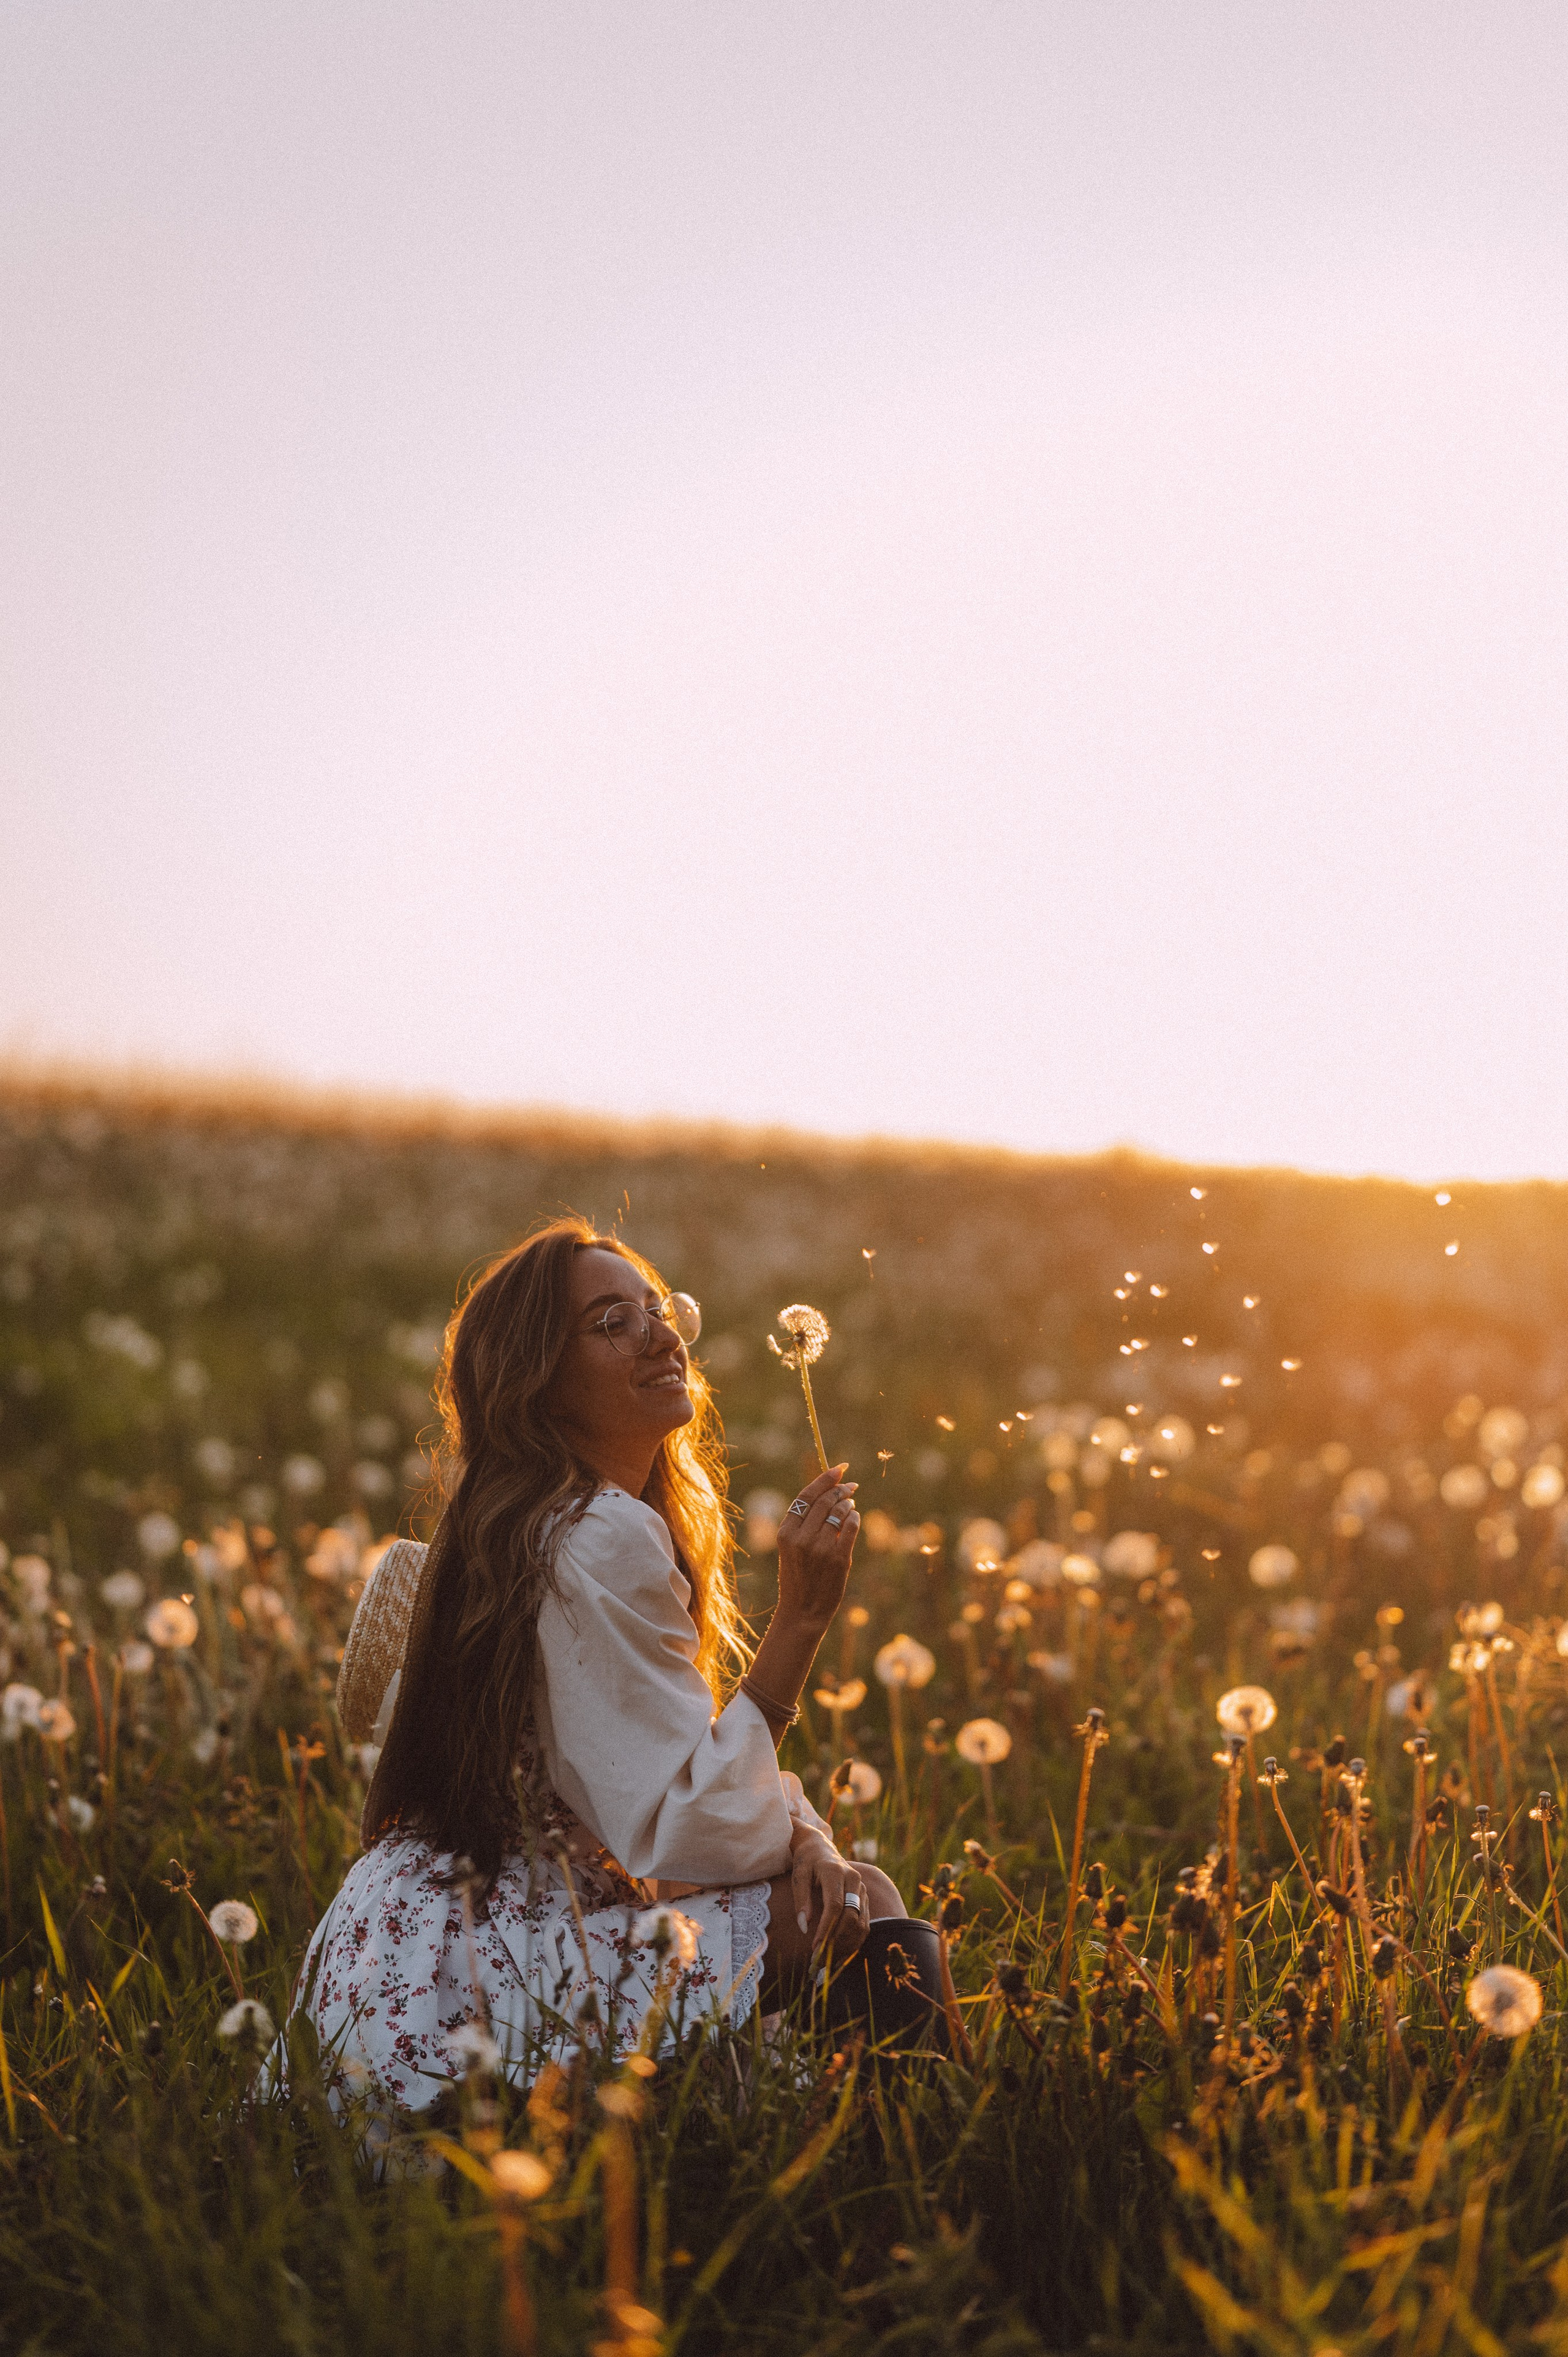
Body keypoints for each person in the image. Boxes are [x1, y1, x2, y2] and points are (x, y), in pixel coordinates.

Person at [288, 1216, 919, 2113]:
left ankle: (861, 2141)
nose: (662, 1335)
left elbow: (667, 1799)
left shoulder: (530, 1523)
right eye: (611, 1323)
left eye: (657, 1309)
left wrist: (809, 1835)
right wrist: (803, 1622)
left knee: (839, 1891)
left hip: (395, 1962)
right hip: (489, 1977)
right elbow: (682, 1834)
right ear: (539, 1383)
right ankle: (926, 2171)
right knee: (858, 1908)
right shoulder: (600, 1533)